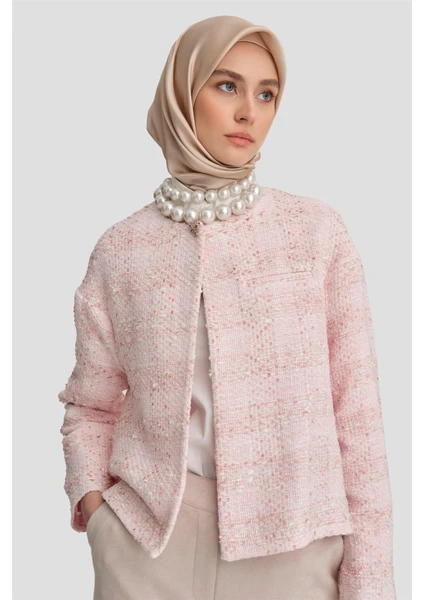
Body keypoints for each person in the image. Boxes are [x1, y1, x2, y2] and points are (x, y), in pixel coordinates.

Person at [58, 15, 397, 600]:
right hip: (148, 543)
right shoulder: (121, 249)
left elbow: (358, 421)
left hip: (293, 546)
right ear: (182, 94)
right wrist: (96, 508)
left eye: (267, 94)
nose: (248, 112)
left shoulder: (315, 234)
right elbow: (91, 405)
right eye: (227, 86)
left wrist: (370, 584)